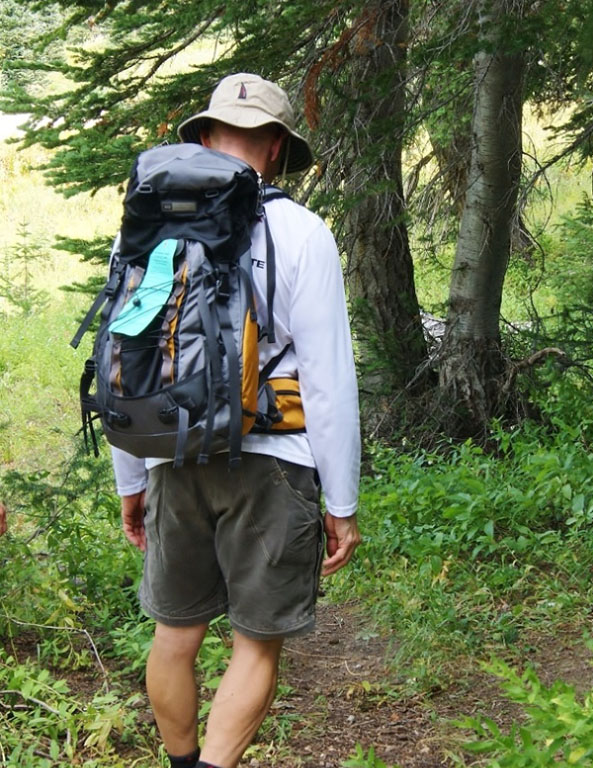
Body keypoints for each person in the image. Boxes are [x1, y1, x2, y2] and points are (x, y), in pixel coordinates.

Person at [112, 73, 361, 768]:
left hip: (170, 449)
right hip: (276, 461)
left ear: (202, 136)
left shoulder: (143, 231)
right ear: (278, 147)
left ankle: (182, 762)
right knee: (255, 643)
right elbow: (329, 381)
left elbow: (123, 361)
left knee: (175, 634)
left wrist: (130, 478)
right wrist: (341, 503)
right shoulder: (303, 233)